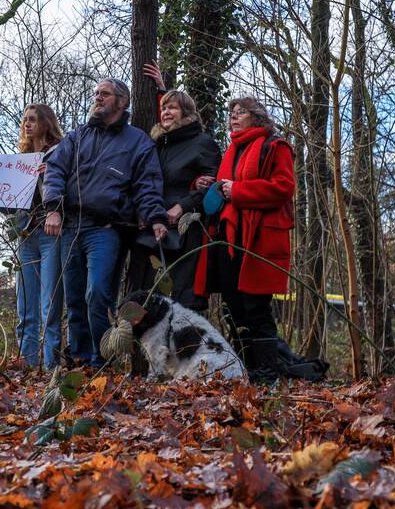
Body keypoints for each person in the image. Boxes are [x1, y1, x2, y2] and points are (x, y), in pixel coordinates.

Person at [43, 78, 169, 367]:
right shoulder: (77, 136)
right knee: (74, 298)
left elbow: (147, 184)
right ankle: (80, 357)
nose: (97, 98)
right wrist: (53, 208)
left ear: (122, 102)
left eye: (105, 94)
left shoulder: (136, 141)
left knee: (98, 293)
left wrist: (156, 217)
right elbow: (55, 170)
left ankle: (102, 359)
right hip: (71, 227)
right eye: (96, 93)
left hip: (105, 230)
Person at [195, 97, 295, 381]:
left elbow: (283, 188)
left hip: (259, 240)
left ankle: (268, 372)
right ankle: (248, 369)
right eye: (232, 114)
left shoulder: (275, 146)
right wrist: (208, 186)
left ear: (257, 117)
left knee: (256, 308)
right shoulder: (232, 150)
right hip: (229, 240)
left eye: (240, 113)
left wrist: (237, 190)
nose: (234, 118)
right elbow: (223, 189)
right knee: (233, 305)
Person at [126, 65, 221, 310]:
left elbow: (211, 186)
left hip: (185, 230)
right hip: (151, 226)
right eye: (164, 108)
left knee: (179, 298)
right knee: (145, 295)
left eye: (173, 107)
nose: (166, 112)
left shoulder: (203, 143)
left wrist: (181, 207)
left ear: (186, 112)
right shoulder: (156, 145)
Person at [11, 104, 68, 370]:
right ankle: (27, 367)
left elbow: (73, 189)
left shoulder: (61, 152)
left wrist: (49, 178)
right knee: (25, 307)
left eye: (32, 120)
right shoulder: (20, 159)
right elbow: (10, 202)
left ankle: (51, 367)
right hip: (25, 234)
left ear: (46, 123)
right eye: (25, 120)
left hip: (50, 234)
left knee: (50, 306)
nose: (27, 124)